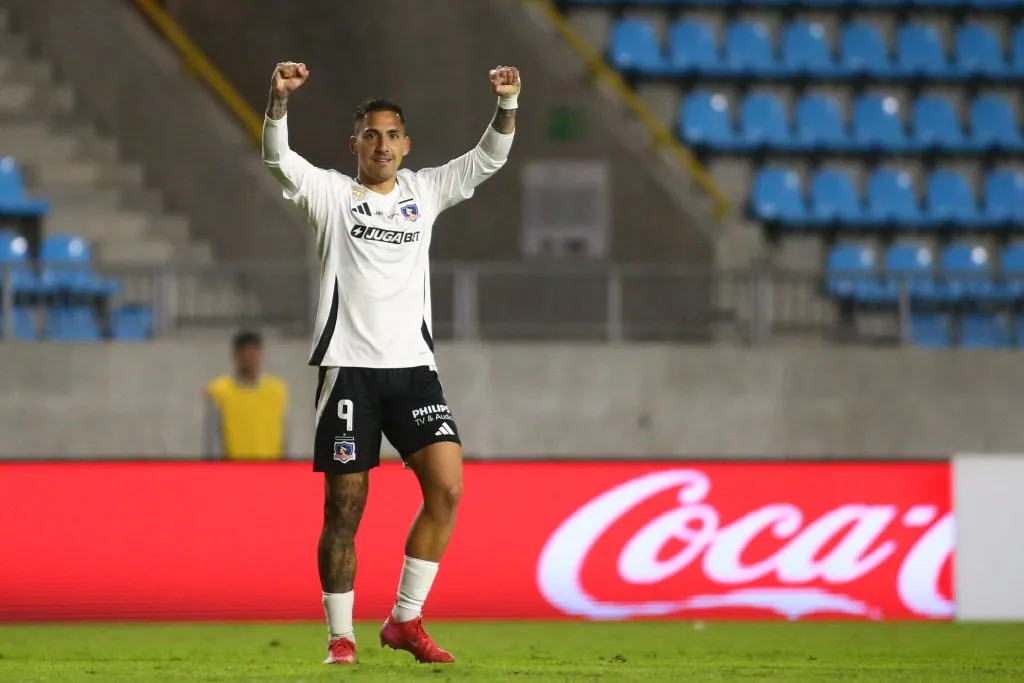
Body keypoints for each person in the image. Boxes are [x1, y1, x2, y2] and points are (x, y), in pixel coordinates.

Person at [261, 60, 519, 665]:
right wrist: (278, 102)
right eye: (371, 135)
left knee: (447, 488)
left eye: (393, 135)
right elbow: (277, 158)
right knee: (345, 512)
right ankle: (341, 637)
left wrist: (507, 104)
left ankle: (405, 619)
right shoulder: (331, 194)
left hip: (414, 372)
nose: (383, 144)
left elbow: (488, 159)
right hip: (348, 371)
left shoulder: (423, 193)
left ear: (407, 145)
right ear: (353, 144)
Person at [203, 330, 290, 460]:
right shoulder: (219, 391)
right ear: (235, 355)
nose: (249, 358)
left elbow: (285, 435)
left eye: (253, 352)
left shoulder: (277, 391)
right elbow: (213, 439)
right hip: (234, 468)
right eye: (244, 352)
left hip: (271, 468)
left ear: (260, 354)